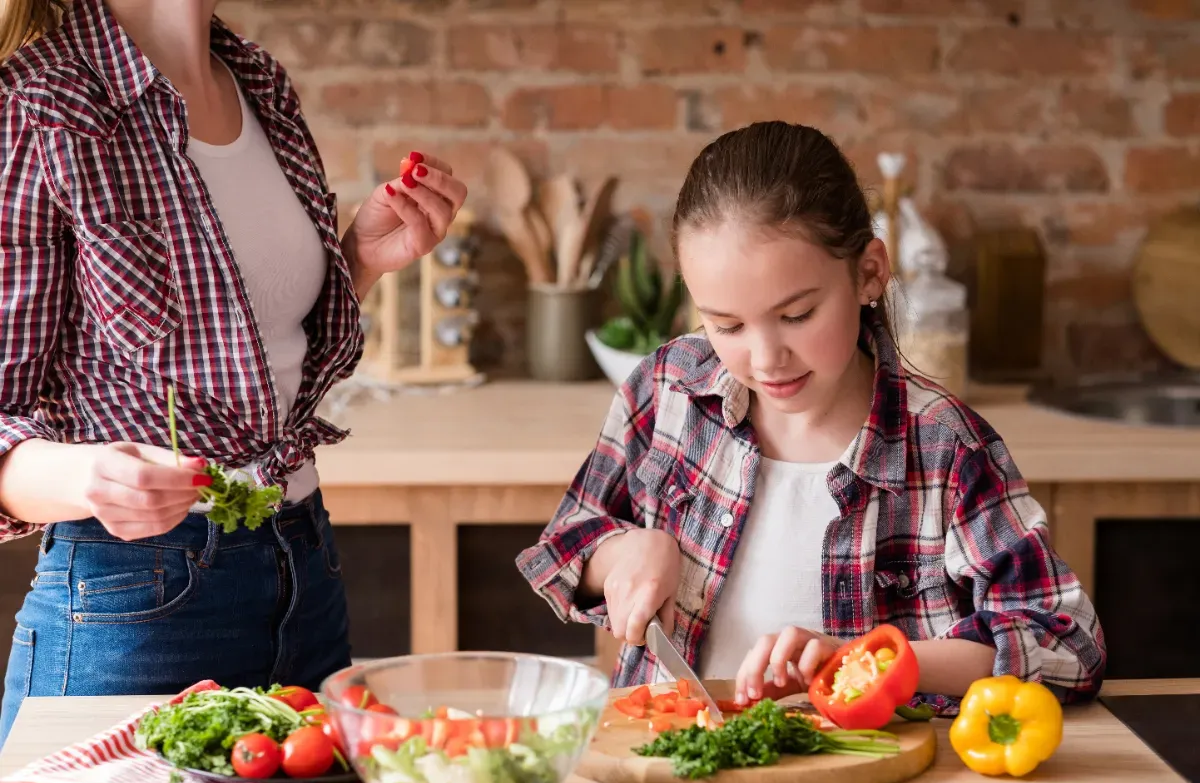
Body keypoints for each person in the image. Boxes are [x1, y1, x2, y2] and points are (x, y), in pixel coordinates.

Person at [516, 121, 1105, 715]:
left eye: (797, 315)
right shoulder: (668, 388)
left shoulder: (946, 448)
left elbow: (1067, 643)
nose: (766, 359)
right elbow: (565, 543)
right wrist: (625, 552)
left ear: (869, 273)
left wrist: (865, 659)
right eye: (727, 325)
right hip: (677, 764)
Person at [0, 0, 466, 745]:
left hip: (304, 568)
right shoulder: (37, 101)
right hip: (136, 600)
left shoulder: (258, 80)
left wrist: (361, 262)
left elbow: (258, 362)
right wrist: (89, 475)